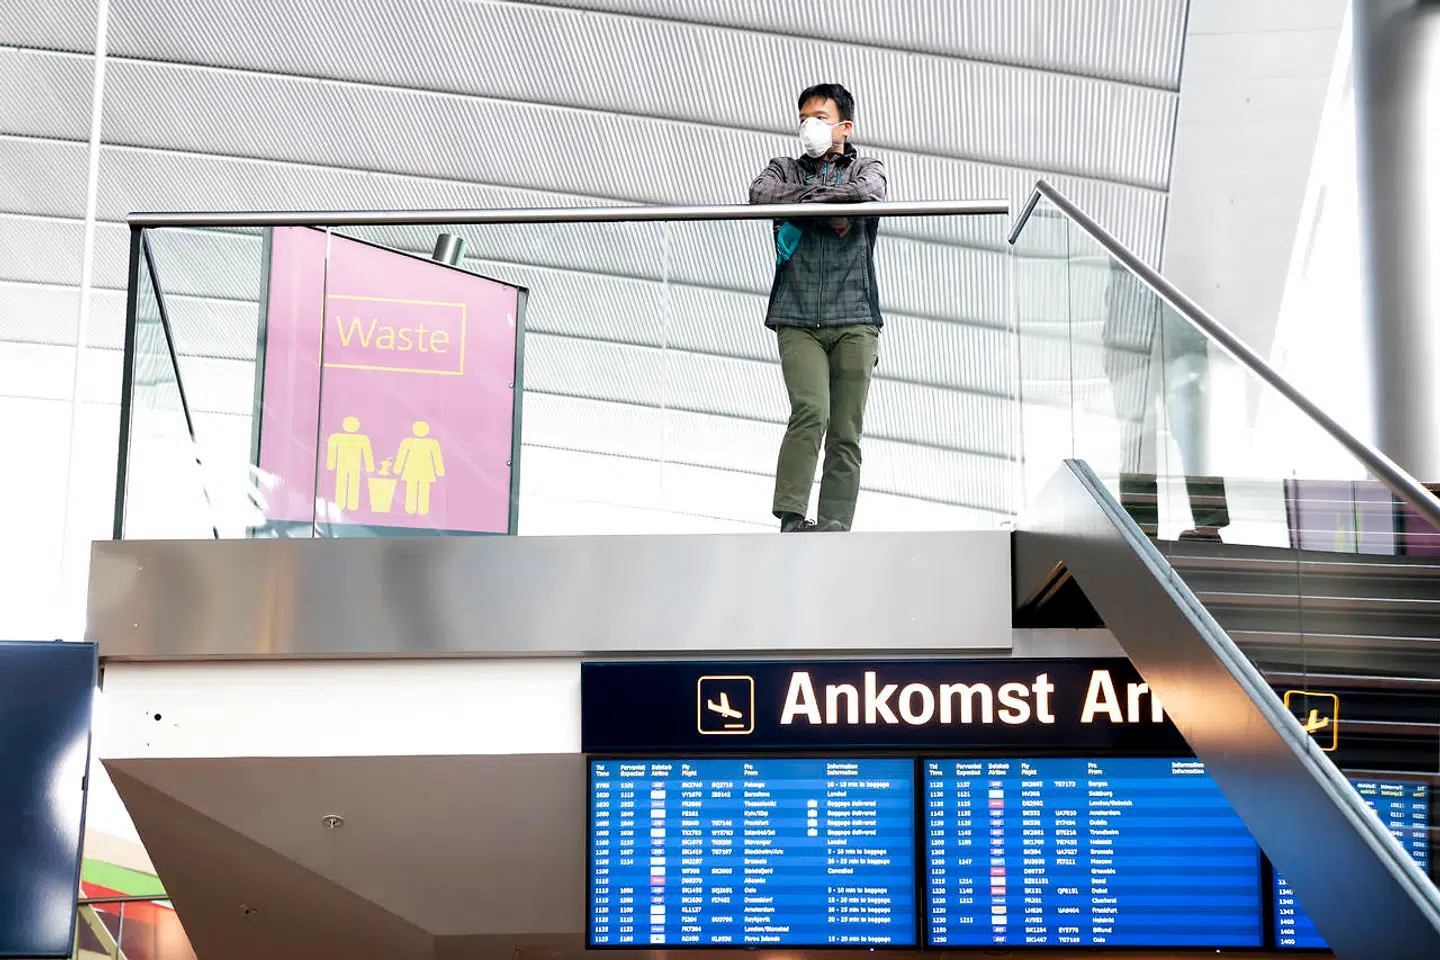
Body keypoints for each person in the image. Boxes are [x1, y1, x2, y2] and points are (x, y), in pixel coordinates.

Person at [749, 83, 887, 532]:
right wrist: (829, 211)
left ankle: (833, 529)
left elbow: (869, 195)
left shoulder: (867, 167)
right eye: (804, 117)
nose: (810, 126)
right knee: (811, 411)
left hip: (855, 317)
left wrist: (805, 208)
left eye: (821, 118)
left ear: (845, 126)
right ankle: (791, 518)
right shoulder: (782, 168)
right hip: (797, 316)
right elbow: (759, 194)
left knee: (846, 431)